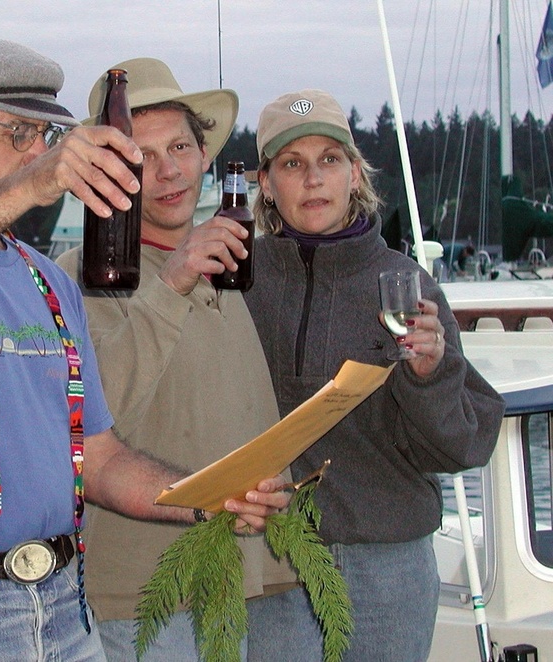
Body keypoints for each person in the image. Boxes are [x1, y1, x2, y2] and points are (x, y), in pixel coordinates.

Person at [0, 39, 287, 662]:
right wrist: (31, 184)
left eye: (45, 135)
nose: (39, 151)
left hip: (66, 606)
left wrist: (209, 495)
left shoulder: (49, 283)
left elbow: (98, 458)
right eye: (19, 131)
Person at [242, 89, 505, 661]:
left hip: (387, 568)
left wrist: (430, 374)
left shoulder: (410, 288)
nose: (313, 179)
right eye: (292, 164)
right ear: (266, 183)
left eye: (329, 161)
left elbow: (463, 445)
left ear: (355, 174)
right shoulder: (236, 284)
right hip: (270, 559)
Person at [57, 58, 297, 661]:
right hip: (144, 595)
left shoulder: (235, 264)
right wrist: (176, 278)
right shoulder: (73, 276)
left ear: (204, 156)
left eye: (181, 147)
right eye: (141, 155)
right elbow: (92, 422)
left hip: (251, 575)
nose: (168, 171)